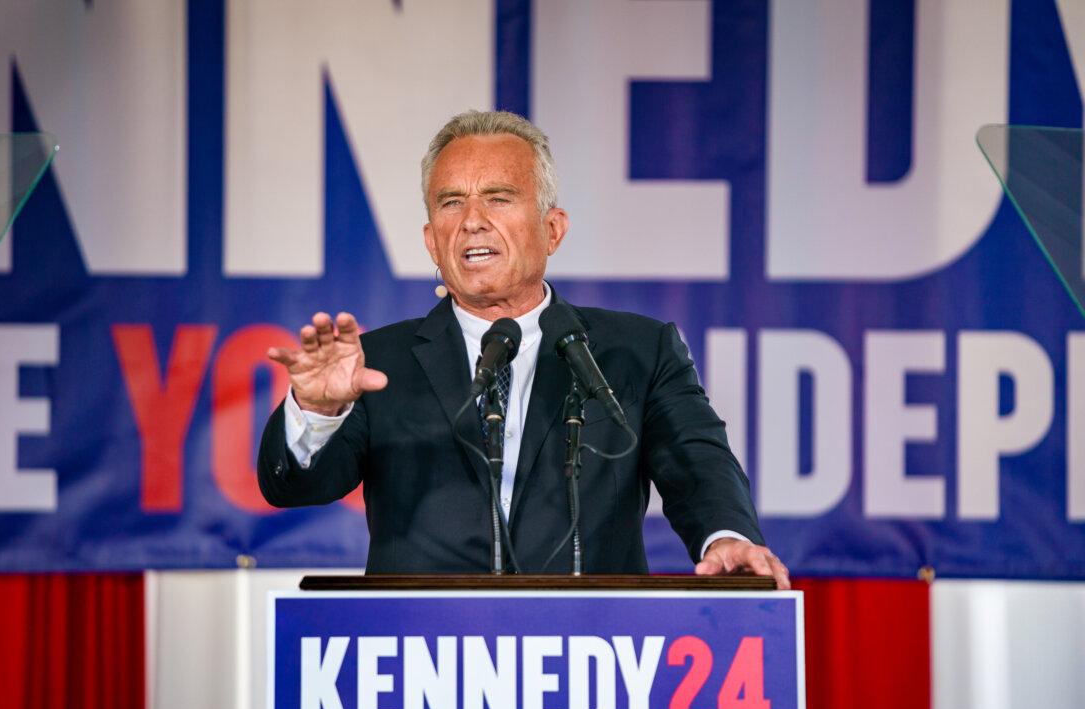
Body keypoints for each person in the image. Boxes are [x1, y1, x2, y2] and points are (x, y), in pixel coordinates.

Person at [258, 110, 789, 588]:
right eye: (451, 202)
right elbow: (294, 487)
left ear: (552, 230)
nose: (471, 220)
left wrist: (726, 538)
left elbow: (696, 461)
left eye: (498, 197)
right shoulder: (377, 364)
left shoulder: (637, 351)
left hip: (590, 653)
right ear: (430, 239)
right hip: (422, 659)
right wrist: (318, 411)